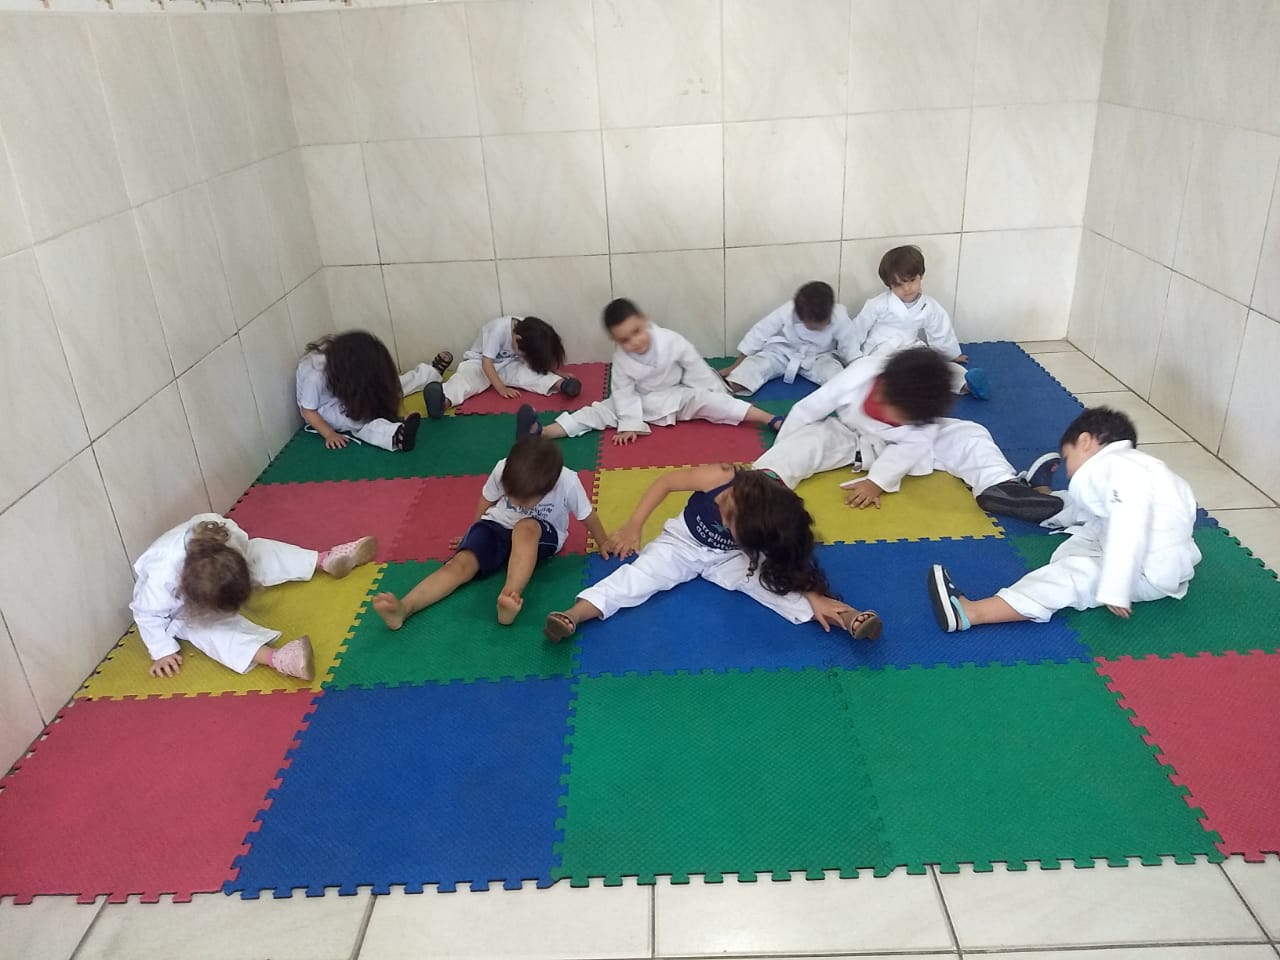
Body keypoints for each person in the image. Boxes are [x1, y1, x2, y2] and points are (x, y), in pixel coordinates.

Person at [928, 408, 1201, 631]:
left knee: (1069, 577)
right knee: (1080, 514)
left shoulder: (1120, 474)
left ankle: (971, 612)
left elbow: (1126, 532)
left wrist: (1116, 587)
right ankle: (1040, 493)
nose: (1068, 473)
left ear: (1085, 442)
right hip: (1155, 552)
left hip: (1143, 571)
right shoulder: (1142, 467)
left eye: (1068, 459)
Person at [543, 463, 882, 642]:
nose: (720, 506)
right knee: (639, 577)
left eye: (729, 518)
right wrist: (635, 525)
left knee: (776, 585)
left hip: (732, 557)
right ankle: (575, 615)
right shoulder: (719, 476)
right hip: (681, 545)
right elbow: (665, 483)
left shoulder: (772, 516)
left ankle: (845, 616)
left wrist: (813, 594)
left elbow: (787, 556)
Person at [755, 347, 1061, 519]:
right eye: (900, 414)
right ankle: (762, 482)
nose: (902, 421)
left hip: (903, 452)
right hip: (850, 436)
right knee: (810, 439)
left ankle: (1000, 485)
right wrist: (784, 444)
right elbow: (809, 409)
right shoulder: (859, 375)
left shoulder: (921, 419)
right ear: (884, 390)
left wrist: (877, 482)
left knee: (970, 433)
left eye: (911, 419)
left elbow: (912, 446)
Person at [372, 437, 608, 629]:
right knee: (460, 563)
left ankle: (510, 597)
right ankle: (405, 608)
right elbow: (487, 499)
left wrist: (603, 541)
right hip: (498, 524)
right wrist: (472, 536)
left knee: (525, 527)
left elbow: (587, 515)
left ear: (549, 488)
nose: (514, 502)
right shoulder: (503, 468)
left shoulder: (567, 482)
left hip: (541, 534)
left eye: (523, 500)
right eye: (511, 496)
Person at [131, 515, 378, 682]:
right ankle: (275, 658)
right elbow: (145, 614)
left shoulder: (223, 535)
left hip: (223, 566)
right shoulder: (161, 582)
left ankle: (325, 560)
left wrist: (244, 573)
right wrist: (162, 651)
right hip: (181, 608)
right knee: (206, 630)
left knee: (261, 552)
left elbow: (245, 550)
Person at [516, 298, 783, 445]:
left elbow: (694, 365)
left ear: (644, 320)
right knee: (597, 412)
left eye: (636, 332)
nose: (634, 342)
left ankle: (769, 419)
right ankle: (541, 432)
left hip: (678, 395)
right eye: (624, 340)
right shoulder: (622, 360)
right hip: (640, 401)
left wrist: (714, 389)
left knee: (713, 402)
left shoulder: (670, 340)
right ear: (615, 340)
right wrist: (629, 424)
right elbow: (623, 393)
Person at [852, 245, 989, 399]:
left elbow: (940, 331)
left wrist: (950, 354)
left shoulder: (929, 306)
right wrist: (851, 356)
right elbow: (858, 329)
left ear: (921, 276)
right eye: (899, 284)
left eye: (912, 280)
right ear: (889, 284)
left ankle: (966, 383)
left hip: (911, 347)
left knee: (936, 367)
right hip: (881, 352)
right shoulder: (877, 304)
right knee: (872, 373)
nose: (907, 288)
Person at [296, 331, 450, 452]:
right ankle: (395, 436)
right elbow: (308, 411)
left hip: (342, 390)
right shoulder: (315, 376)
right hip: (324, 409)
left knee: (388, 386)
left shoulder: (345, 357)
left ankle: (431, 373)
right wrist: (329, 434)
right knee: (358, 420)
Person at [717, 280, 860, 395]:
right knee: (755, 365)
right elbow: (759, 333)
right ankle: (726, 388)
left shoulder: (839, 317)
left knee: (837, 376)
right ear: (800, 316)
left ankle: (845, 397)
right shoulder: (788, 311)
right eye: (811, 325)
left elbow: (850, 348)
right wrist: (735, 366)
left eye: (819, 326)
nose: (815, 329)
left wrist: (858, 371)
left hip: (819, 357)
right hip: (784, 352)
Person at [440, 315, 580, 408]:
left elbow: (537, 357)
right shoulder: (498, 329)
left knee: (528, 373)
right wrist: (501, 388)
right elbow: (487, 363)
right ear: (517, 339)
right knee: (467, 380)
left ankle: (561, 385)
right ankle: (444, 400)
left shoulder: (529, 332)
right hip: (480, 363)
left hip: (509, 363)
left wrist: (557, 372)